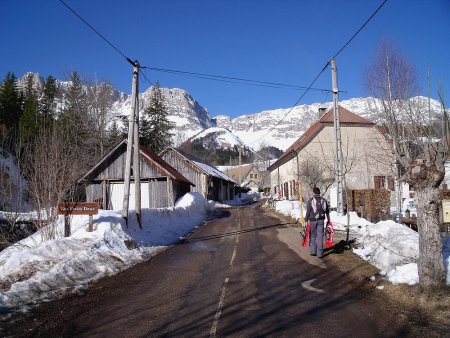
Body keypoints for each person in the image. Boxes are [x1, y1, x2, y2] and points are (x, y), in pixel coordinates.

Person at [304, 187, 330, 258]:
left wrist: (306, 220)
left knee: (312, 235)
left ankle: (313, 252)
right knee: (320, 236)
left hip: (312, 221)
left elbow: (308, 212)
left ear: (313, 193)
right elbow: (327, 211)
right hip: (321, 220)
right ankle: (320, 254)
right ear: (319, 192)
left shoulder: (310, 201)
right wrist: (328, 220)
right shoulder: (324, 200)